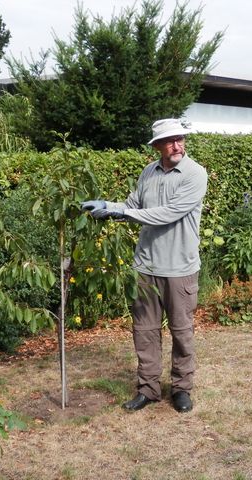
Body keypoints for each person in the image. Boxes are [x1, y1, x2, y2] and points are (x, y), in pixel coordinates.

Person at [81, 118, 208, 413]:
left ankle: (181, 389)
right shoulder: (148, 172)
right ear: (156, 147)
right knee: (145, 331)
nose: (176, 145)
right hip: (147, 267)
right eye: (169, 141)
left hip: (179, 269)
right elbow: (133, 205)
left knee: (182, 332)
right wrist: (109, 207)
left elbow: (167, 214)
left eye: (179, 139)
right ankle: (148, 389)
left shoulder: (194, 174)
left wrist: (120, 212)